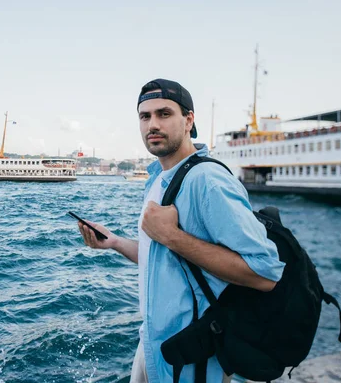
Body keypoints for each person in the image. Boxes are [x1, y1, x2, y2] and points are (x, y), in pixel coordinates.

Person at [76, 79, 285, 383]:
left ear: (189, 120)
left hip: (195, 358)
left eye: (164, 114)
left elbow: (266, 274)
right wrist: (115, 242)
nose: (153, 125)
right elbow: (162, 258)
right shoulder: (158, 180)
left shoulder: (208, 181)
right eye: (144, 116)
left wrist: (172, 236)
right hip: (153, 344)